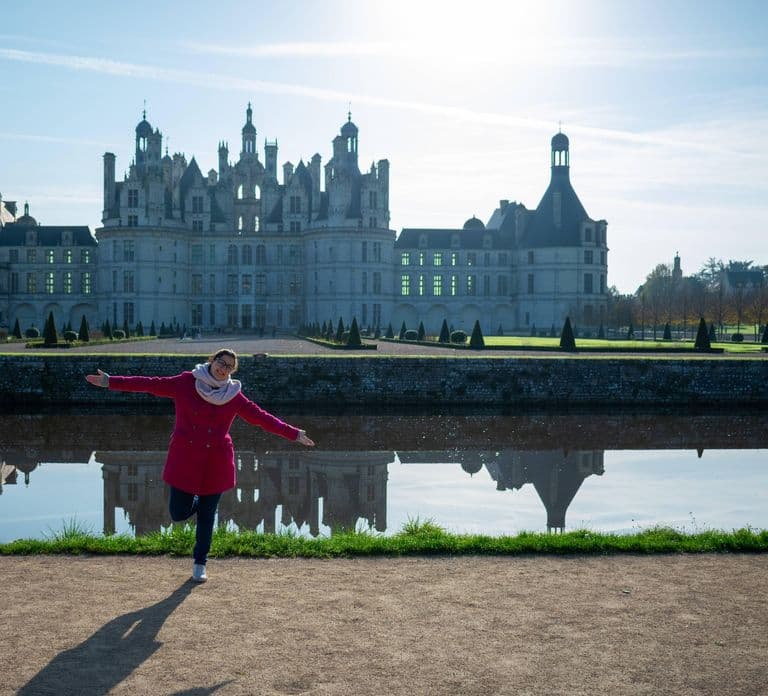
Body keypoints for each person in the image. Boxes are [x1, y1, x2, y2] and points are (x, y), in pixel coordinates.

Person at [85, 348, 314, 583]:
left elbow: (261, 418)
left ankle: (199, 563)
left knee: (207, 517)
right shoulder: (187, 382)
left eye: (228, 367)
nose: (223, 368)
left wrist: (294, 434)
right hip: (185, 458)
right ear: (211, 360)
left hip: (216, 461)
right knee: (178, 512)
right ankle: (198, 510)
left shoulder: (233, 395)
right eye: (221, 362)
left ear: (231, 372)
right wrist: (111, 382)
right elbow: (150, 384)